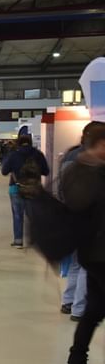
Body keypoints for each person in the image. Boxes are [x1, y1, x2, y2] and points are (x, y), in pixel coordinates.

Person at [62, 122, 105, 364]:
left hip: (90, 251)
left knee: (94, 310)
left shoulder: (74, 169)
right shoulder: (94, 174)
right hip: (101, 251)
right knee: (92, 310)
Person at [59, 122, 104, 320]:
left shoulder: (70, 157)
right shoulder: (92, 165)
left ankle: (68, 301)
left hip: (71, 222)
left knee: (76, 266)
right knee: (86, 269)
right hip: (88, 229)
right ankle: (78, 309)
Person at [1, 134, 49, 248]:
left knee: (18, 215)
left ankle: (18, 240)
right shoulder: (38, 155)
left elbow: (4, 171)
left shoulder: (13, 155)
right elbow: (46, 171)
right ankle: (33, 240)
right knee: (32, 215)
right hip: (34, 189)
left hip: (16, 187)